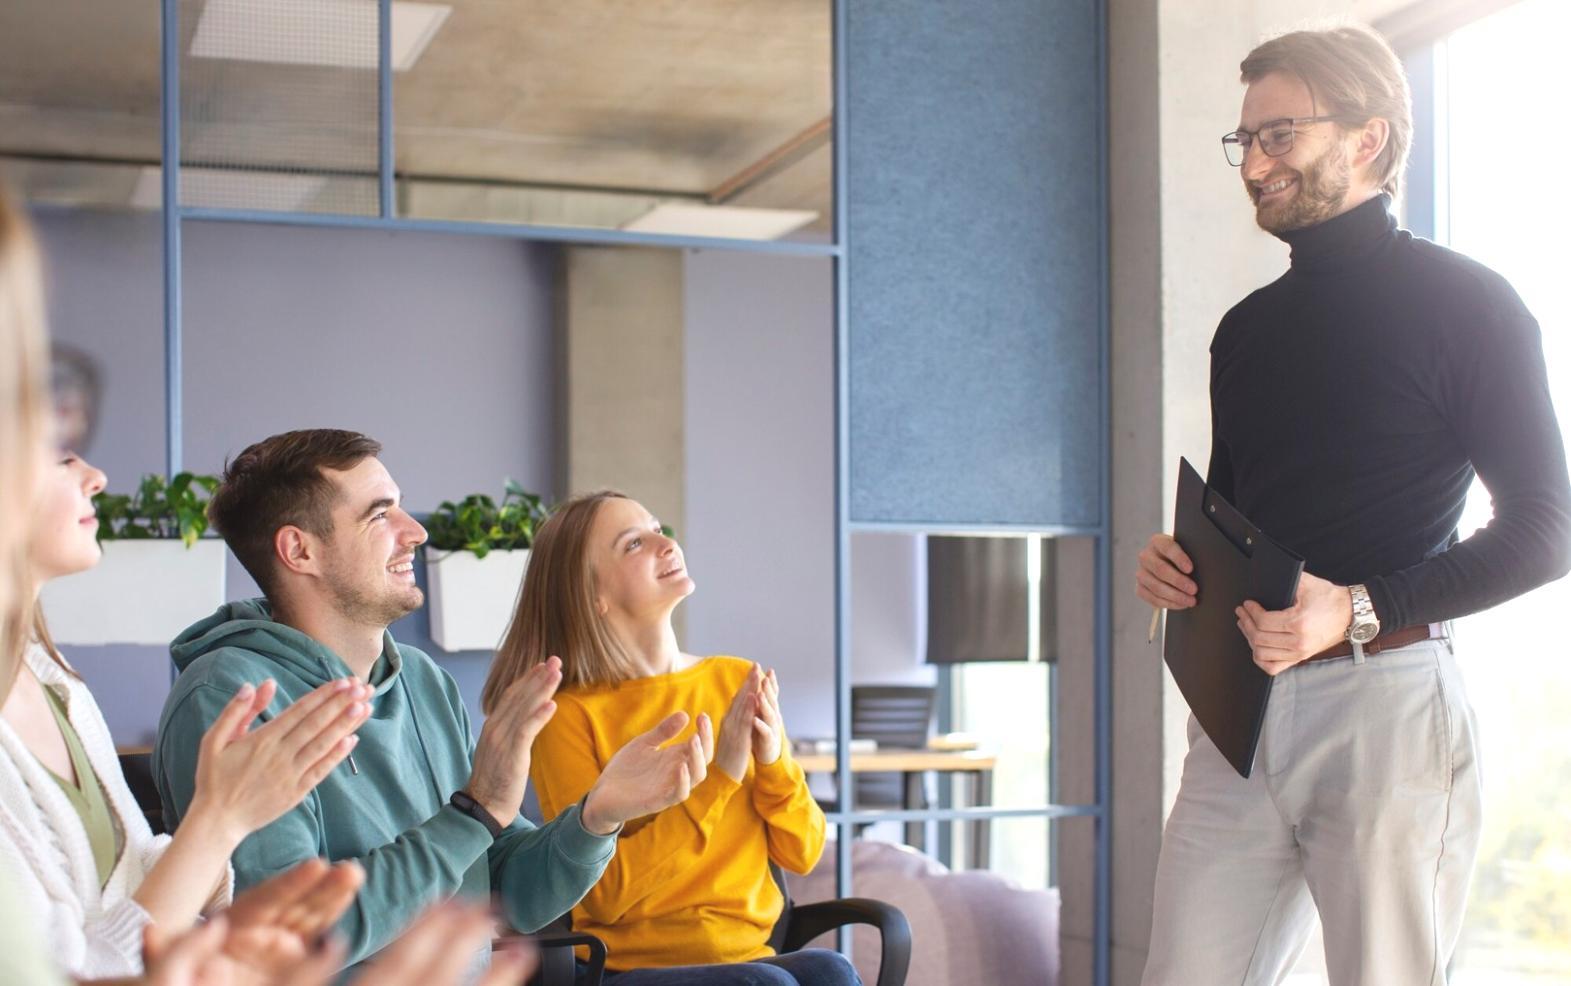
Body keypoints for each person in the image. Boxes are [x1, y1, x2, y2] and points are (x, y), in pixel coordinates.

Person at [1135, 24, 1571, 986]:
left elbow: (1548, 530)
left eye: (1278, 135)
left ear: (1366, 137)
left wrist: (1358, 605)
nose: (1252, 163)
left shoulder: (1470, 305)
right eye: (1243, 140)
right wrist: (1181, 563)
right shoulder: (1243, 333)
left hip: (1386, 708)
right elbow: (1245, 518)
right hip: (1235, 716)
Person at [154, 430, 711, 971]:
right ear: (300, 550)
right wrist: (473, 813)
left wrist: (596, 818)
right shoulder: (231, 699)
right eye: (380, 514)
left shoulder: (422, 681)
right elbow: (296, 941)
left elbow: (504, 889)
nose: (415, 532)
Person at [484, 491, 860, 986]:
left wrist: (771, 764)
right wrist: (719, 777)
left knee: (831, 970)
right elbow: (604, 897)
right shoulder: (568, 716)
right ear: (591, 593)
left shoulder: (734, 679)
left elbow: (803, 852)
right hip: (631, 969)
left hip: (753, 955)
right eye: (634, 543)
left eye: (659, 528)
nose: (666, 543)